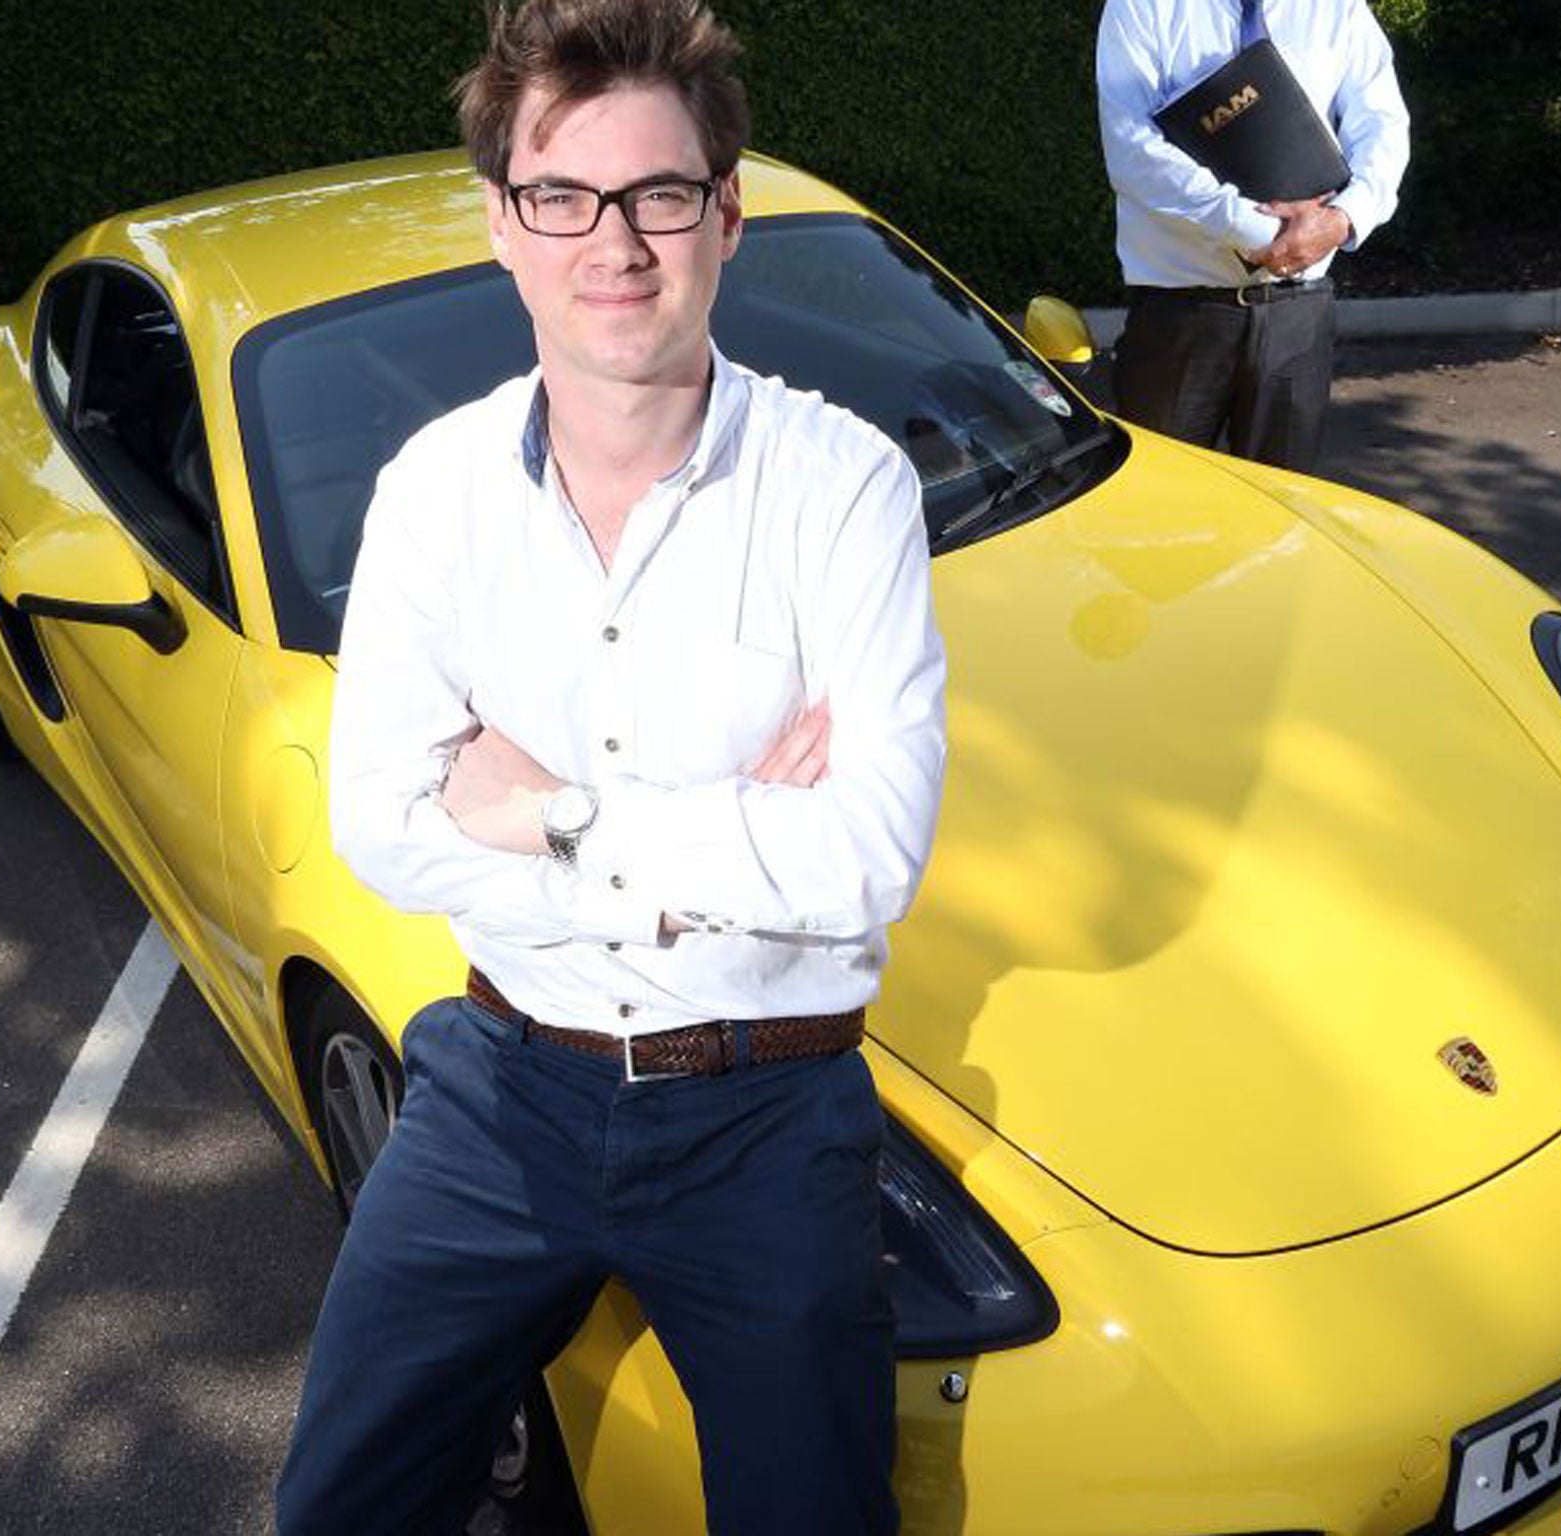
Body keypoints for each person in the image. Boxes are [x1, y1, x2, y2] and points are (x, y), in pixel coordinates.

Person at [273, 1, 946, 1530]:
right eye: (562, 198)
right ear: (504, 228)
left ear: (725, 218)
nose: (614, 243)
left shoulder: (845, 489)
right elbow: (383, 825)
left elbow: (867, 856)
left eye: (656, 196)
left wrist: (559, 815)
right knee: (338, 1504)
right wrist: (726, 847)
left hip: (768, 1115)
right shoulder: (433, 492)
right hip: (503, 1089)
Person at [1097, 0, 1410, 470]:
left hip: (1296, 313)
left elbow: (1383, 126)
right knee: (1164, 514)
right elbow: (1133, 151)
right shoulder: (1141, 6)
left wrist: (1344, 218)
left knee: (1285, 519)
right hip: (1181, 311)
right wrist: (1265, 230)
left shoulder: (1338, 8)